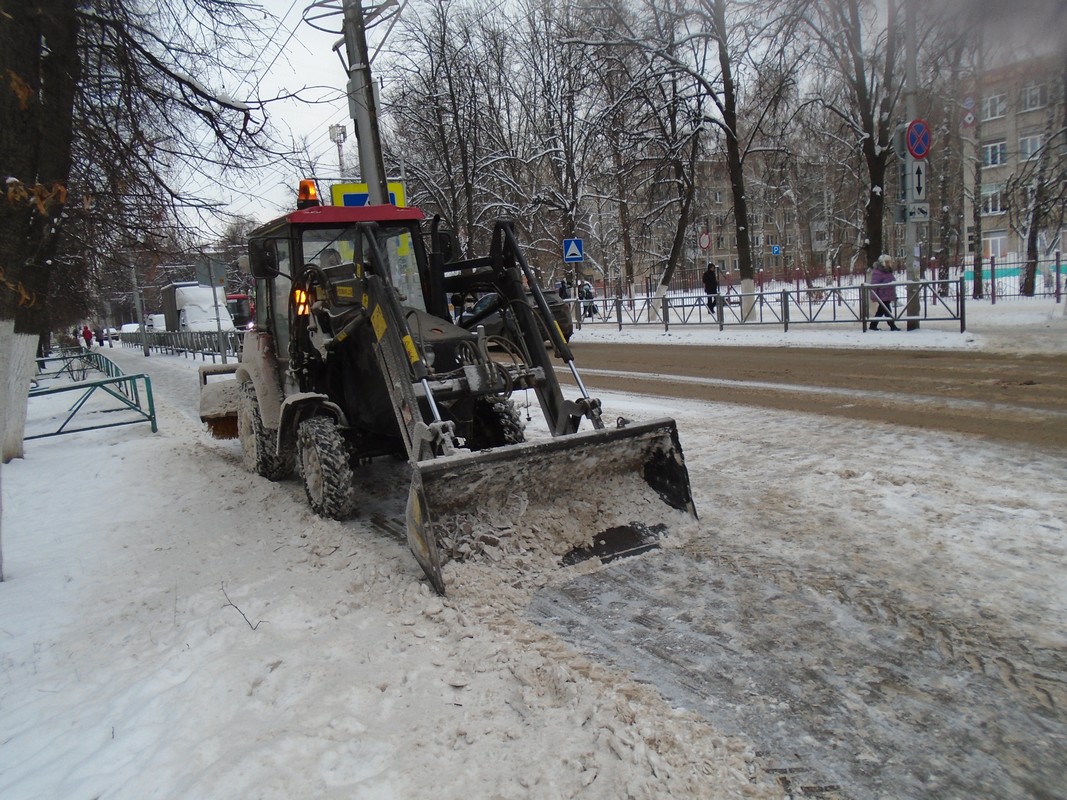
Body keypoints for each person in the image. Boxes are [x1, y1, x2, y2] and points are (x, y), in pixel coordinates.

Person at [869, 255, 900, 331]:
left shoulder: (888, 271)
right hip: (882, 296)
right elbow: (874, 285)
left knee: (881, 311)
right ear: (882, 263)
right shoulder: (877, 272)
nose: (888, 264)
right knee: (887, 311)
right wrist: (874, 296)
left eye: (889, 262)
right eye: (887, 262)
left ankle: (873, 325)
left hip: (887, 295)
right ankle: (892, 326)